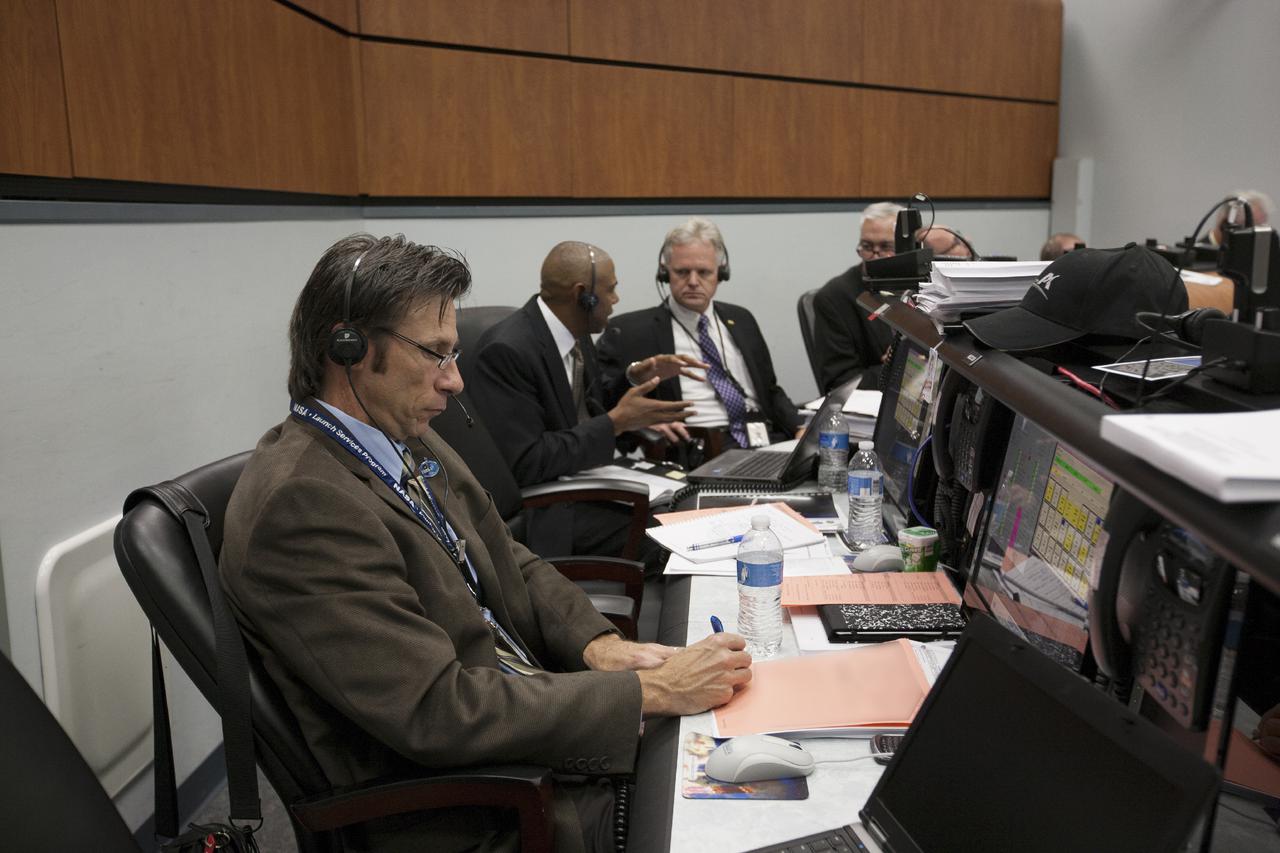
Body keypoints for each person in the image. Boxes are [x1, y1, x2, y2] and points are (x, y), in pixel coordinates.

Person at [219, 234, 752, 853]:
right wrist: (651, 691)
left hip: (521, 726)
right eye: (436, 354)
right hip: (475, 802)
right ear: (351, 348)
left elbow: (507, 554)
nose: (455, 381)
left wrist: (601, 645)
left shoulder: (395, 433)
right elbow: (437, 709)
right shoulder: (304, 506)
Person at [469, 241, 703, 561]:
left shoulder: (573, 332)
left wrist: (633, 377)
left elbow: (590, 403)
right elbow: (528, 462)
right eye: (610, 290)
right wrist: (616, 423)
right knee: (675, 543)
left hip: (587, 481)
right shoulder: (508, 351)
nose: (616, 300)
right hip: (550, 510)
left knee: (688, 509)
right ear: (583, 295)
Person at [597, 217, 802, 460]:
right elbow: (602, 402)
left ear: (721, 273)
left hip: (765, 438)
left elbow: (770, 390)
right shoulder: (630, 331)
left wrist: (800, 427)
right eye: (682, 272)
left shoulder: (741, 319)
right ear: (665, 272)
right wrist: (641, 421)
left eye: (704, 272)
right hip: (701, 447)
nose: (693, 282)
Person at [812, 201, 904, 391]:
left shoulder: (926, 287)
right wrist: (901, 367)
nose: (875, 256)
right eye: (867, 246)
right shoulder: (834, 297)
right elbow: (839, 381)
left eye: (887, 247)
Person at [1208, 189, 1273, 247]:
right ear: (1225, 225)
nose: (1260, 235)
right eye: (1254, 227)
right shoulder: (1199, 256)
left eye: (1263, 226)